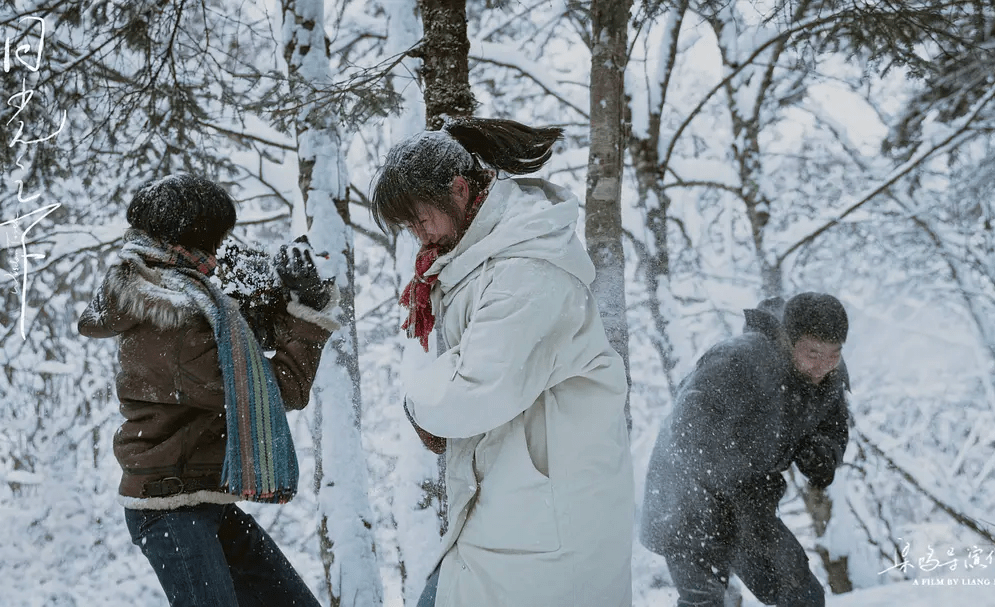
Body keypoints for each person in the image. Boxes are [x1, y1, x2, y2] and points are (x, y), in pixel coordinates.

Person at [370, 118, 634, 607]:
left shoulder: (526, 269)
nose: (417, 236)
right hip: (515, 509)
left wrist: (417, 402)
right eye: (408, 226)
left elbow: (476, 390)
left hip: (547, 518)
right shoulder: (483, 259)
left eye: (420, 219)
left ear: (459, 189)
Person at [78, 174, 340, 606]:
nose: (218, 256)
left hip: (199, 498)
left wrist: (277, 293)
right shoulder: (174, 323)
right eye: (215, 243)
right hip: (170, 509)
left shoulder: (184, 298)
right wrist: (305, 312)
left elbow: (240, 346)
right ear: (191, 239)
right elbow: (276, 390)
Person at [640, 293, 851, 607]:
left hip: (748, 506)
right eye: (813, 353)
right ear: (789, 339)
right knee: (706, 601)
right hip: (687, 498)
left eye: (834, 354)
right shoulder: (739, 359)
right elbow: (688, 429)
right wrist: (739, 479)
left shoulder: (829, 376)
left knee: (802, 595)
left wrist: (823, 454)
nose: (823, 366)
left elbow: (833, 428)